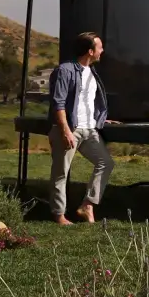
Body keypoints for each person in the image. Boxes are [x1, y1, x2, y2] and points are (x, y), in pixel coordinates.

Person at [48, 31, 117, 225]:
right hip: (70, 128)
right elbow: (58, 103)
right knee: (61, 172)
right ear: (90, 51)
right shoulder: (65, 70)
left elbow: (86, 101)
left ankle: (87, 204)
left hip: (89, 129)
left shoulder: (92, 73)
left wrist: (101, 119)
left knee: (106, 163)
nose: (102, 50)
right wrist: (65, 130)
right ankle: (59, 215)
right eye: (99, 47)